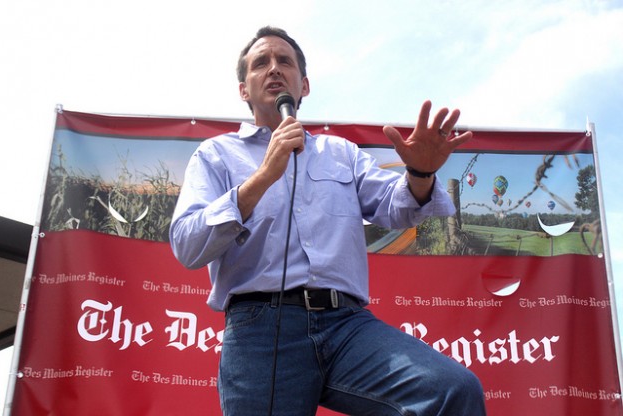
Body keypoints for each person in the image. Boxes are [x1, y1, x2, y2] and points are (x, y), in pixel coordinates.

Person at [170, 26, 486, 416]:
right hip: (261, 329)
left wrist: (420, 174)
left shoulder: (341, 154)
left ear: (303, 86)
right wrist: (264, 175)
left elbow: (397, 207)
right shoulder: (215, 155)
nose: (274, 69)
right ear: (243, 90)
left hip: (348, 326)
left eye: (285, 62)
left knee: (453, 392)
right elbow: (187, 244)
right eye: (261, 63)